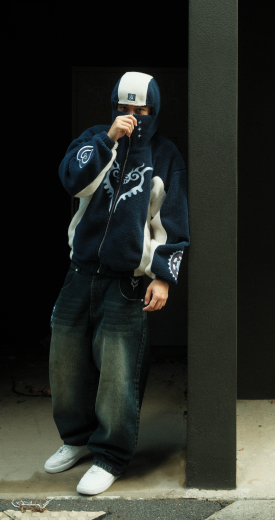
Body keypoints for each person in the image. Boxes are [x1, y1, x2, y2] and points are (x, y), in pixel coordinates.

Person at [45, 71, 190, 495]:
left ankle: (110, 456)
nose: (131, 116)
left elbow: (172, 219)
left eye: (139, 110)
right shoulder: (95, 138)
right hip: (80, 272)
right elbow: (73, 182)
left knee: (118, 374)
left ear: (153, 111)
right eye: (123, 108)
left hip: (127, 281)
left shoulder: (165, 155)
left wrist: (162, 278)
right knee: (65, 362)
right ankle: (76, 439)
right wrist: (109, 139)